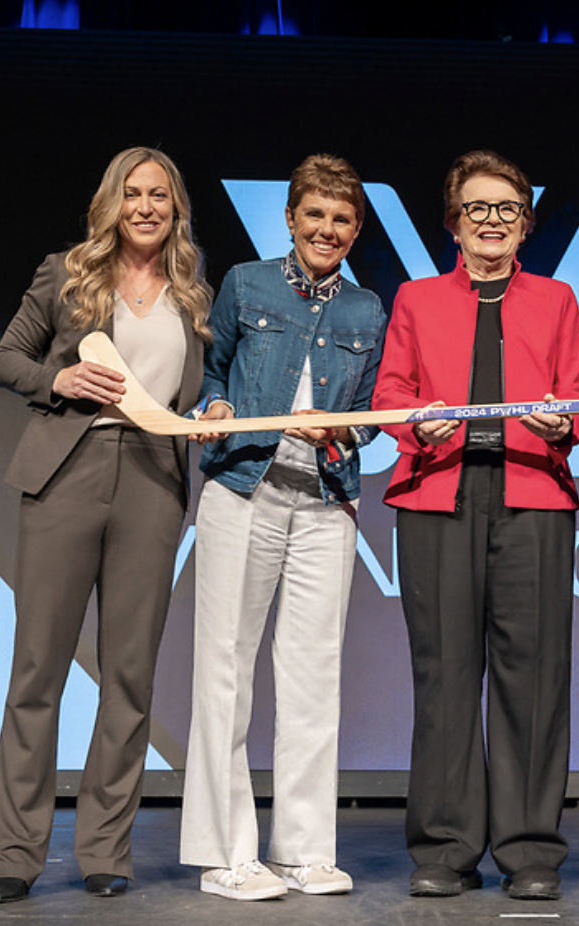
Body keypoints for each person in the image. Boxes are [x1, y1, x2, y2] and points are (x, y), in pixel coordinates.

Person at [0, 147, 213, 903]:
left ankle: (105, 850)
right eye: (132, 194)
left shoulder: (191, 292)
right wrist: (60, 377)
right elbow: (8, 359)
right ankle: (14, 855)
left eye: (160, 197)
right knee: (37, 674)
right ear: (110, 202)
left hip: (153, 483)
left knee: (129, 677)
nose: (146, 208)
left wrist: (210, 413)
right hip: (65, 477)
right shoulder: (67, 272)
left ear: (176, 209)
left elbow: (195, 390)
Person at [373, 150, 579, 902]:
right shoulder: (416, 299)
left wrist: (563, 419)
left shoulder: (559, 299)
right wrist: (415, 427)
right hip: (439, 494)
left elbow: (578, 395)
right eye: (477, 209)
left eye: (506, 209)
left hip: (533, 494)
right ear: (453, 225)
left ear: (526, 224)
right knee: (444, 677)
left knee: (533, 680)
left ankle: (530, 850)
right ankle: (444, 846)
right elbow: (393, 392)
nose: (491, 222)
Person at [178, 154, 386, 901]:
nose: (327, 229)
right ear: (291, 218)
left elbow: (369, 419)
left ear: (356, 228)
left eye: (341, 219)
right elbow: (210, 371)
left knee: (312, 676)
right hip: (244, 487)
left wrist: (342, 436)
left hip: (325, 498)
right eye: (315, 215)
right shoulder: (247, 284)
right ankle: (225, 852)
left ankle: (302, 850)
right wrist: (217, 406)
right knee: (225, 670)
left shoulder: (367, 309)